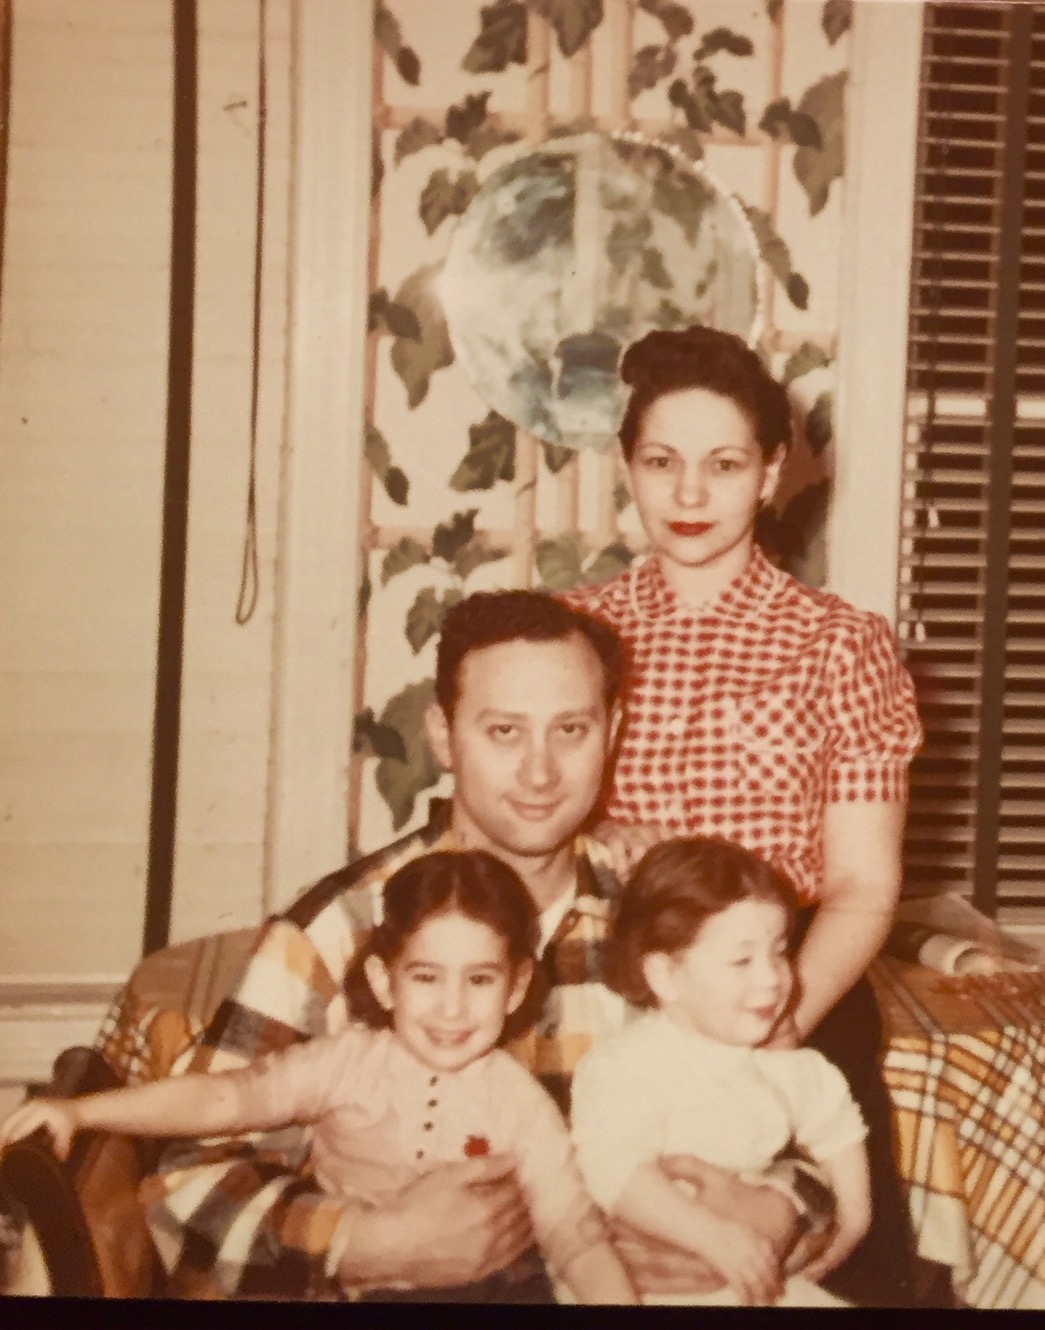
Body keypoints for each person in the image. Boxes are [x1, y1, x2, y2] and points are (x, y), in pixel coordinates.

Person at [142, 591, 826, 1298]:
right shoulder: (340, 928)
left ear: (613, 730)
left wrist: (780, 1211)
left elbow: (807, 1120)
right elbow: (186, 1177)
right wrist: (357, 1240)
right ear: (444, 735)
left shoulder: (671, 920)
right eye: (504, 732)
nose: (540, 772)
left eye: (571, 730)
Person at [564, 324, 925, 1303]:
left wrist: (781, 1019)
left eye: (723, 465)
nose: (689, 494)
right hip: (611, 989)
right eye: (661, 462)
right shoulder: (574, 632)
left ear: (770, 474)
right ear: (627, 468)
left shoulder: (839, 644)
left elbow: (863, 887)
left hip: (787, 985)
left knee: (807, 1265)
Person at [4, 851, 636, 1304]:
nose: (452, 1009)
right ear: (384, 982)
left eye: (479, 980)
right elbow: (225, 1097)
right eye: (425, 977)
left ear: (516, 987)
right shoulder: (346, 1063)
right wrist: (82, 1111)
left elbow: (577, 1239)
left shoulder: (521, 1104)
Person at [571, 837, 870, 1308]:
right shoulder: (624, 1066)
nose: (771, 978)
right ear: (665, 976)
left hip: (750, 1273)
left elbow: (838, 1126)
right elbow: (613, 1169)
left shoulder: (786, 1066)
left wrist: (853, 1218)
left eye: (779, 952)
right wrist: (714, 1237)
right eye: (741, 960)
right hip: (645, 1285)